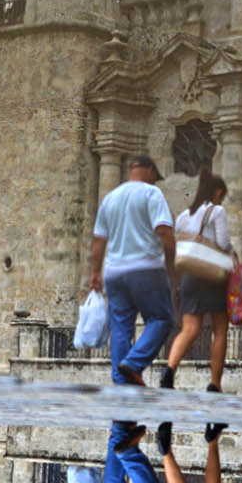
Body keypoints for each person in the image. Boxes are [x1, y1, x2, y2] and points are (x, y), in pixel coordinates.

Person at [88, 155, 175, 386]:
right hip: (145, 268)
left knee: (120, 331)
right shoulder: (151, 193)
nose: (155, 182)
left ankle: (122, 394)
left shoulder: (110, 198)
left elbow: (98, 240)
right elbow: (165, 232)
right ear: (148, 171)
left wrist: (95, 273)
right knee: (161, 318)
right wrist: (171, 266)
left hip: (113, 273)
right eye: (155, 177)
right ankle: (135, 363)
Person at [162, 169, 232, 392]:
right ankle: (214, 383)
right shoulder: (217, 211)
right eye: (222, 195)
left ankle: (169, 369)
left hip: (190, 275)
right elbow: (223, 243)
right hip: (211, 274)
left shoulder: (183, 216)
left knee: (189, 328)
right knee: (220, 329)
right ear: (217, 192)